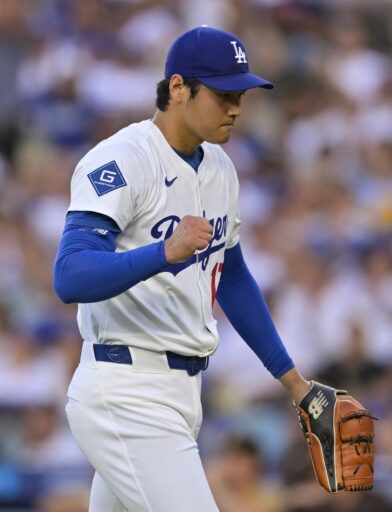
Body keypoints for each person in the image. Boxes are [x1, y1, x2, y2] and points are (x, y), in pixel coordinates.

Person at [52, 26, 315, 511]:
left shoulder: (220, 167)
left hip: (183, 393)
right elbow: (69, 274)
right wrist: (163, 253)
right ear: (178, 88)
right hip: (127, 388)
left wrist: (294, 382)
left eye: (240, 95)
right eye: (222, 95)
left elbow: (232, 277)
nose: (235, 108)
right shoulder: (124, 159)